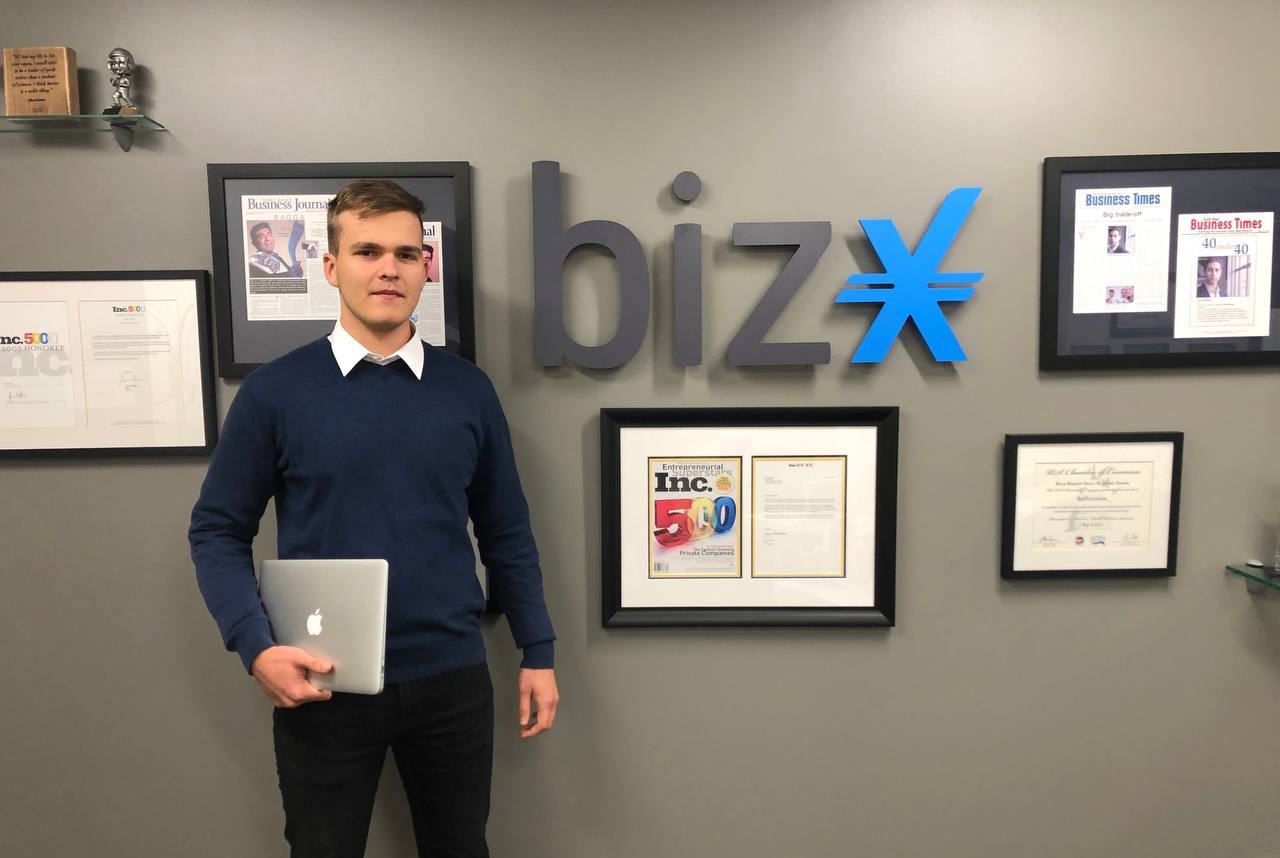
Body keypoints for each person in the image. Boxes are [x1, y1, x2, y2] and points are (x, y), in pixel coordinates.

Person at [190, 179, 559, 858]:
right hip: (322, 683)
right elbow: (215, 531)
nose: (389, 268)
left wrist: (537, 650)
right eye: (366, 250)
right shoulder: (277, 392)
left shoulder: (467, 390)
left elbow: (505, 528)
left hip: (451, 679)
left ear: (426, 268)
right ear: (331, 267)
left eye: (406, 253)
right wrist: (255, 648)